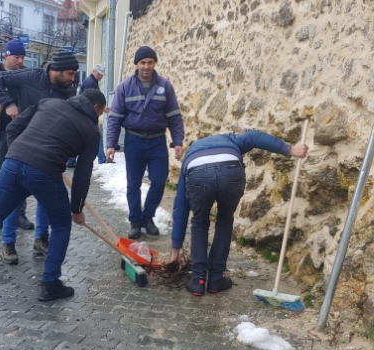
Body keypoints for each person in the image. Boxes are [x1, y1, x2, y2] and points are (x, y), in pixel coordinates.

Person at [0, 89, 106, 302]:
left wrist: (19, 152)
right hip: (45, 173)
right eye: (100, 113)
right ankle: (50, 283)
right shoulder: (91, 132)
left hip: (12, 165)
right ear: (95, 107)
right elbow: (83, 175)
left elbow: (15, 127)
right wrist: (76, 209)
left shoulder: (49, 102)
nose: (99, 117)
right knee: (61, 223)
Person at [170, 130, 309, 296]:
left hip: (198, 173)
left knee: (199, 222)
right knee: (224, 220)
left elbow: (181, 206)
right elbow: (255, 137)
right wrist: (291, 150)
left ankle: (198, 280)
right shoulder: (231, 140)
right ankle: (215, 279)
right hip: (230, 171)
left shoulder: (191, 155)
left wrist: (175, 249)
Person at [0, 48, 79, 262]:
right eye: (71, 74)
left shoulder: (68, 89)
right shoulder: (31, 76)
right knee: (13, 196)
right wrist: (9, 103)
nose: (73, 79)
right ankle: (8, 244)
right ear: (57, 70)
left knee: (46, 197)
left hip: (49, 150)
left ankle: (40, 240)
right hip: (22, 143)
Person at [105, 46, 185, 239]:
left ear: (154, 63)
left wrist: (178, 141)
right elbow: (115, 117)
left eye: (150, 62)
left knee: (158, 182)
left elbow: (174, 116)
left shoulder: (165, 86)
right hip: (134, 141)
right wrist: (110, 143)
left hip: (157, 141)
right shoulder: (125, 87)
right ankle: (135, 221)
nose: (146, 66)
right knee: (133, 184)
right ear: (136, 64)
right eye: (143, 62)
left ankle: (148, 217)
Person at [0, 40, 41, 264]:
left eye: (23, 57)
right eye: (17, 57)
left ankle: (19, 214)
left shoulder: (24, 77)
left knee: (20, 179)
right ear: (6, 56)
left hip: (21, 135)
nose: (20, 61)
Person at [68, 64, 107, 167]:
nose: (100, 76)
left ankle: (71, 159)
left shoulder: (92, 81)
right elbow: (91, 100)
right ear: (94, 71)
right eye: (99, 74)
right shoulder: (91, 83)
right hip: (87, 113)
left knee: (80, 136)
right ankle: (101, 159)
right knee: (96, 134)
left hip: (85, 112)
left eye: (102, 75)